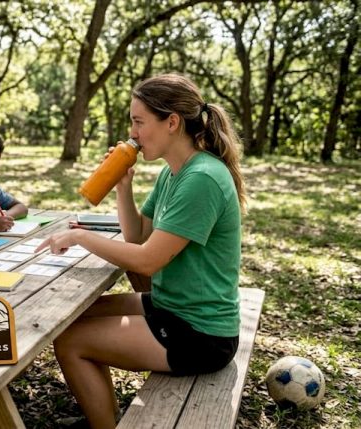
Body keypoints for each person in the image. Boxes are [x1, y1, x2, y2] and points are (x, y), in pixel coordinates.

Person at [36, 74, 246, 429]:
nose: (132, 133)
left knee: (70, 342)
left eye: (139, 122)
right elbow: (136, 237)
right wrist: (123, 186)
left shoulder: (202, 178)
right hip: (171, 305)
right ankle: (107, 415)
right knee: (73, 316)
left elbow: (148, 260)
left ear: (172, 122)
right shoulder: (172, 173)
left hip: (201, 332)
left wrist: (81, 237)